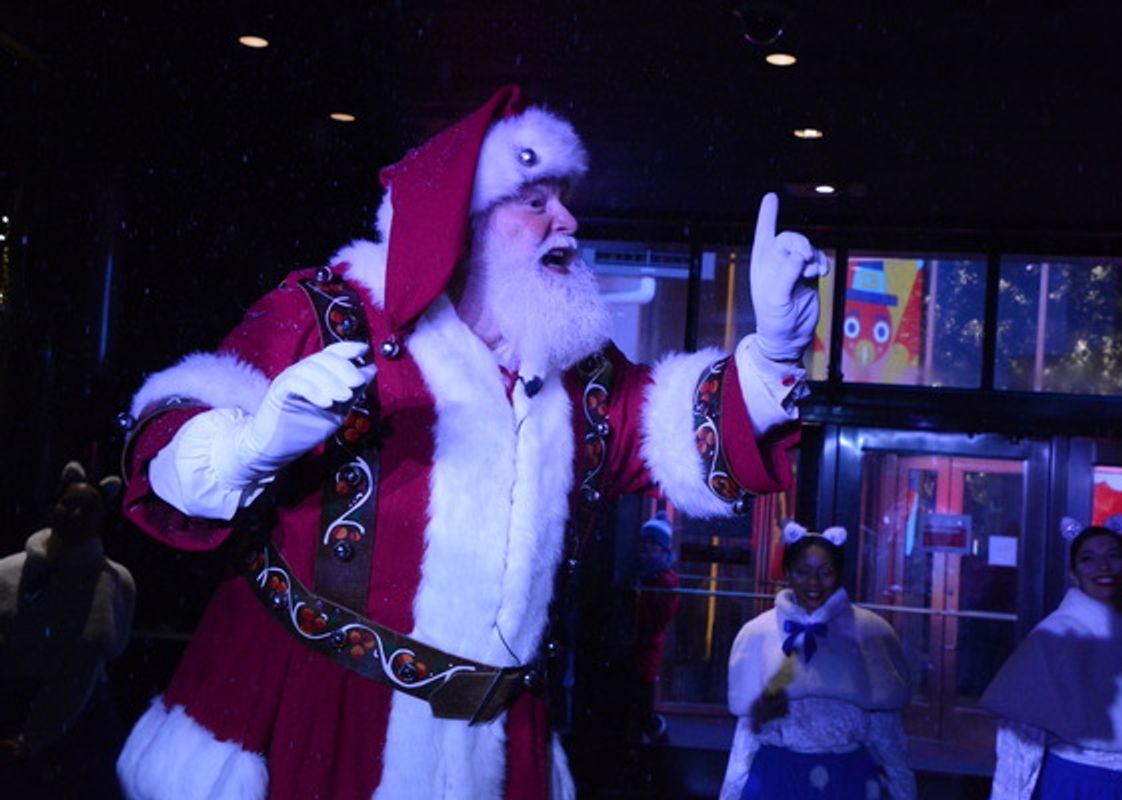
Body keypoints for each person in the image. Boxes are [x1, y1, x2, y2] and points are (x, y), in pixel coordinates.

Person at [114, 84, 829, 800]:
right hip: (320, 722)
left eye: (565, 198)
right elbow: (170, 436)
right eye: (537, 201)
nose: (569, 222)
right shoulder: (331, 315)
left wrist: (770, 352)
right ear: (464, 221)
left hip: (497, 740)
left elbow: (673, 433)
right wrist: (250, 446)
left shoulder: (576, 375)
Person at [982, 517, 1122, 800]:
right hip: (1075, 787)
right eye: (1088, 559)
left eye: (1113, 556)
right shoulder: (1054, 638)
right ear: (1074, 573)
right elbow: (1019, 743)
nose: (1103, 566)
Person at [719, 522, 915, 800]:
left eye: (825, 573)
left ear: (838, 574)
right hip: (776, 777)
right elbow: (747, 735)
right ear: (787, 573)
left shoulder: (871, 633)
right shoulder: (758, 634)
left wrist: (903, 791)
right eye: (802, 572)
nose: (813, 583)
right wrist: (730, 793)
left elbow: (888, 737)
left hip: (849, 779)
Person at [0, 461, 134, 798]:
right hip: (11, 706)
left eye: (88, 508)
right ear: (52, 507)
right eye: (69, 503)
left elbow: (105, 650)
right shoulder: (7, 572)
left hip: (86, 717)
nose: (76, 514)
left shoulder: (115, 582)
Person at [627, 512, 681, 743]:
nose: (647, 549)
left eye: (653, 544)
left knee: (642, 707)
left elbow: (658, 618)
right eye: (645, 543)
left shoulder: (664, 580)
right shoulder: (645, 575)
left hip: (646, 649)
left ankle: (660, 746)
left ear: (663, 549)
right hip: (637, 648)